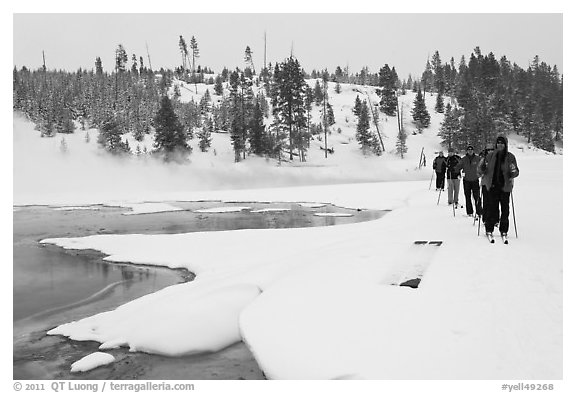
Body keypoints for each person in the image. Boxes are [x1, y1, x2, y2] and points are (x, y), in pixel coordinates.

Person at [477, 135, 519, 240]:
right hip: (492, 186)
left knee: (505, 210)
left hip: (505, 187)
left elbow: (515, 171)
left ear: (505, 145)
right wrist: (482, 169)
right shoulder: (490, 156)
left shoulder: (510, 157)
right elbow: (481, 169)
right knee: (492, 209)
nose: (500, 145)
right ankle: (489, 229)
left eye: (502, 143)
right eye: (498, 143)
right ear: (496, 144)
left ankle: (504, 229)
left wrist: (512, 173)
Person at [455, 145, 481, 217]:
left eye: (471, 149)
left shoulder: (477, 158)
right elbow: (458, 167)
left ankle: (479, 212)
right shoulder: (463, 159)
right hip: (466, 180)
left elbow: (483, 166)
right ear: (467, 151)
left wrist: (482, 173)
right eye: (469, 149)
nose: (470, 151)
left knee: (477, 196)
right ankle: (469, 212)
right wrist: (457, 172)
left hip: (475, 180)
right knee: (467, 196)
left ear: (473, 151)